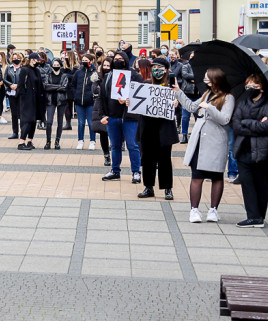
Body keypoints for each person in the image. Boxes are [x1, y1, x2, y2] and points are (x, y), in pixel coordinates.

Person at [172, 66, 232, 221]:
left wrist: (210, 108)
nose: (205, 79)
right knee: (196, 176)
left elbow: (225, 119)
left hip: (216, 142)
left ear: (215, 80)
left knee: (216, 176)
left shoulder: (228, 97)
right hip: (200, 140)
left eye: (207, 77)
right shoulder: (206, 94)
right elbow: (192, 106)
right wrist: (179, 92)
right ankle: (194, 210)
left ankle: (213, 210)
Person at [232, 75, 268, 227]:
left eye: (253, 86)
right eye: (247, 85)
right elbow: (236, 126)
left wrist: (247, 123)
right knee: (247, 185)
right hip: (244, 150)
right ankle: (253, 216)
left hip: (264, 153)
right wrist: (256, 124)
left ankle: (259, 216)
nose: (249, 89)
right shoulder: (242, 104)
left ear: (261, 88)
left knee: (262, 186)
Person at [136, 57, 179, 200]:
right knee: (147, 158)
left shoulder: (170, 86)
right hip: (148, 126)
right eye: (153, 67)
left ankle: (168, 188)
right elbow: (138, 103)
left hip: (164, 128)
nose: (156, 70)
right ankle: (148, 187)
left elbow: (180, 102)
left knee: (165, 159)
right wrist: (131, 101)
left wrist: (176, 102)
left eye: (159, 68)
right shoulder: (146, 84)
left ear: (166, 70)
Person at [99, 51, 143, 182]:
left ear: (126, 60)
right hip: (113, 116)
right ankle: (115, 171)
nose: (118, 61)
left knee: (132, 145)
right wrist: (102, 115)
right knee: (115, 146)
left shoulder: (135, 75)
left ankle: (136, 172)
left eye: (121, 59)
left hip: (130, 117)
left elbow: (140, 95)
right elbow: (102, 97)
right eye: (116, 59)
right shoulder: (109, 76)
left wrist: (128, 99)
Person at [16, 53, 44, 150]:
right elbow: (20, 85)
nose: (38, 62)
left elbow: (39, 84)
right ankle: (21, 142)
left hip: (36, 99)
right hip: (27, 99)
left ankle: (30, 141)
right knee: (28, 120)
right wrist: (23, 97)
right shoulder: (24, 70)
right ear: (32, 59)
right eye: (37, 60)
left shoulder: (36, 70)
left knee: (34, 120)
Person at [42, 57, 69, 150]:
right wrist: (58, 87)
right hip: (50, 101)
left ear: (60, 66)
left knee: (60, 122)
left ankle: (57, 141)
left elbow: (64, 87)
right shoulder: (47, 75)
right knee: (49, 122)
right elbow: (46, 87)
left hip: (61, 101)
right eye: (54, 65)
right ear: (52, 66)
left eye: (57, 65)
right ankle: (48, 141)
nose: (56, 66)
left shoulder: (64, 76)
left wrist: (52, 87)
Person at [72, 53, 96, 150]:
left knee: (91, 123)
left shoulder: (94, 72)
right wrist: (75, 95)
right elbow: (73, 84)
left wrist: (93, 95)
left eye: (87, 60)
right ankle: (80, 141)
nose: (84, 62)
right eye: (83, 60)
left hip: (90, 102)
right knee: (81, 123)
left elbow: (96, 85)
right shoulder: (78, 72)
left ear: (91, 61)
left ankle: (92, 141)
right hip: (79, 101)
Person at [92, 57, 112, 166]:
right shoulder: (97, 77)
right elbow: (95, 90)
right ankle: (106, 156)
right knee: (103, 132)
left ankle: (114, 151)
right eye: (105, 66)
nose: (106, 68)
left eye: (108, 66)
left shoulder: (115, 77)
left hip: (113, 107)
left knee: (114, 133)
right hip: (100, 107)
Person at [4, 52, 23, 140]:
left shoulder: (23, 68)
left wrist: (18, 85)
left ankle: (23, 131)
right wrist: (10, 85)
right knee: (14, 114)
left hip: (21, 93)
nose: (15, 59)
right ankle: (15, 132)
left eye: (17, 58)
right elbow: (4, 79)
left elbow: (25, 79)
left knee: (22, 113)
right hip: (11, 92)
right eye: (14, 58)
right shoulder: (9, 67)